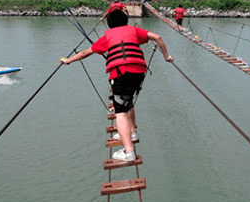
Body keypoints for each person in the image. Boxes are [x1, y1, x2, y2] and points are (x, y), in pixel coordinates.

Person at [61, 9, 173, 162]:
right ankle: (132, 132)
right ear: (126, 20)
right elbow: (157, 37)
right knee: (129, 100)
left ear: (109, 24)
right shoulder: (133, 30)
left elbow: (85, 53)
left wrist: (69, 60)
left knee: (120, 112)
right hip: (139, 72)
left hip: (121, 74)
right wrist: (166, 56)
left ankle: (129, 153)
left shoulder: (107, 36)